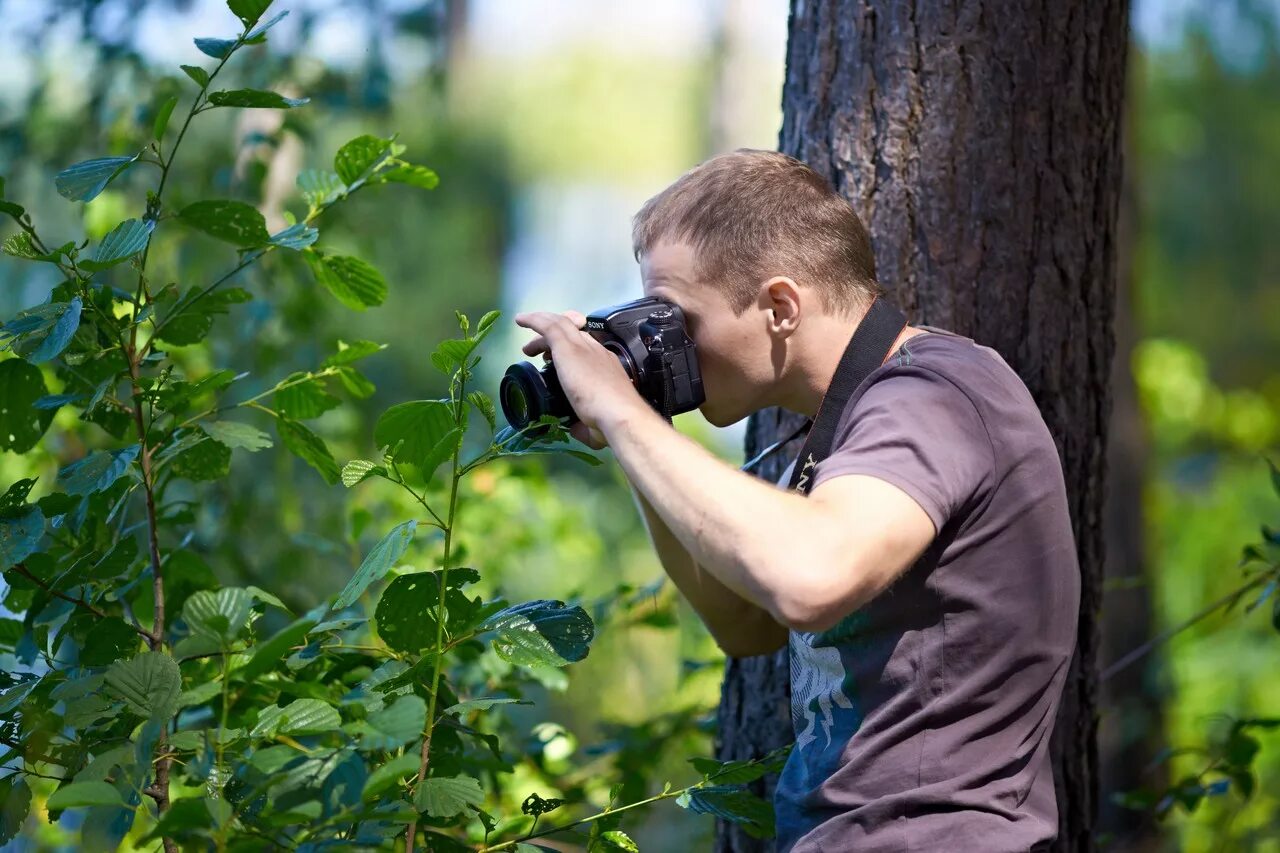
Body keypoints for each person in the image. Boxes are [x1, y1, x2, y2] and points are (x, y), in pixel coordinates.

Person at [513, 149, 1079, 853]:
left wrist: (619, 408)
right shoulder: (846, 430)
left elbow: (809, 579)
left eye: (678, 320)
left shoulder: (934, 393)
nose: (668, 346)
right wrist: (636, 427)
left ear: (780, 306)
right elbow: (746, 622)